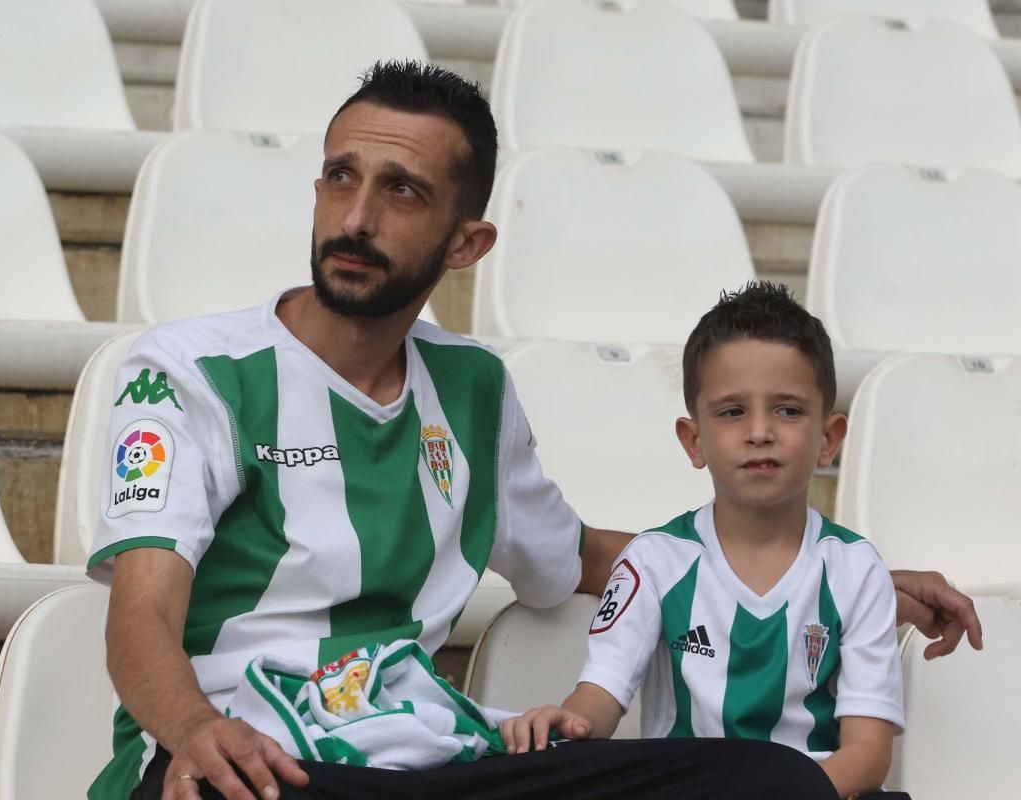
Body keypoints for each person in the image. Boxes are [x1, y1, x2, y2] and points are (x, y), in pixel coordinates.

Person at [86, 61, 981, 800]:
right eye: (342, 177)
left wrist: (831, 569)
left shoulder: (472, 390)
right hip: (249, 765)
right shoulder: (191, 371)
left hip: (431, 762)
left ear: (466, 244)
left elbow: (584, 558)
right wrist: (197, 730)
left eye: (402, 191)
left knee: (770, 780)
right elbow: (141, 611)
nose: (357, 217)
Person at [501, 283, 908, 798]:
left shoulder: (857, 570)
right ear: (694, 441)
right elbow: (599, 696)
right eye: (732, 412)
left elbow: (868, 754)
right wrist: (566, 720)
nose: (760, 431)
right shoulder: (654, 561)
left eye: (788, 410)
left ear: (829, 439)